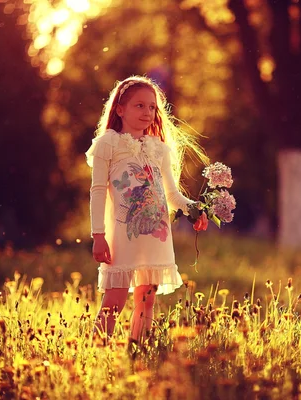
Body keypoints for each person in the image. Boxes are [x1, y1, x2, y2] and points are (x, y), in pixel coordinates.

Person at [85, 75, 208, 345]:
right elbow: (97, 191)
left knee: (147, 299)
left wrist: (195, 210)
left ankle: (137, 350)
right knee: (114, 301)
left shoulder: (159, 149)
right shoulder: (109, 144)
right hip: (122, 235)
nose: (147, 112)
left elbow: (172, 194)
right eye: (139, 106)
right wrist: (98, 235)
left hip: (155, 235)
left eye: (152, 107)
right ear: (120, 109)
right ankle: (95, 353)